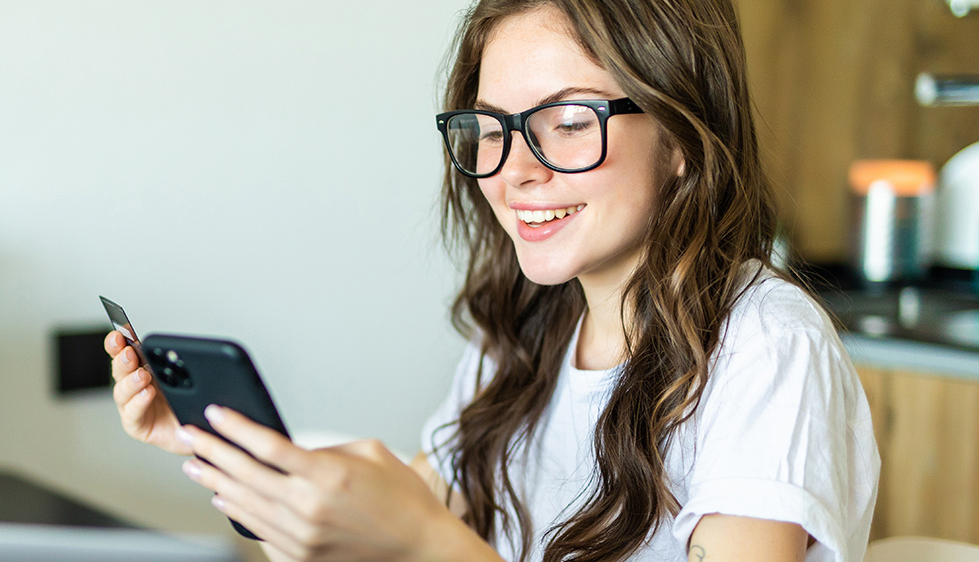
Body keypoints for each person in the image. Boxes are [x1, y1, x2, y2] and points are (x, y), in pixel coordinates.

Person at [105, 0, 879, 560]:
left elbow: (416, 529)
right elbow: (389, 510)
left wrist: (425, 544)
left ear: (681, 136)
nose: (516, 171)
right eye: (491, 129)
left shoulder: (767, 347)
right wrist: (221, 446)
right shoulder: (520, 335)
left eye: (570, 123)